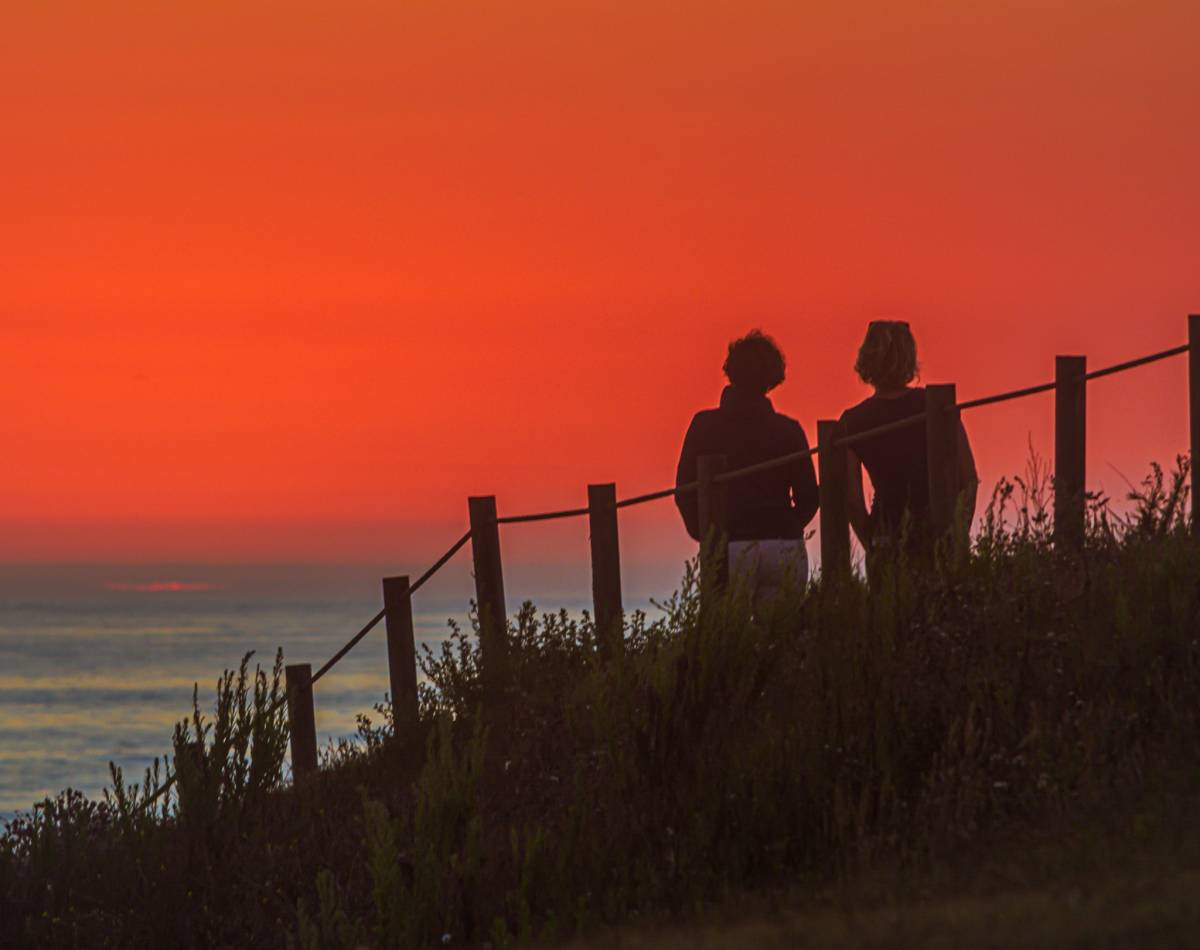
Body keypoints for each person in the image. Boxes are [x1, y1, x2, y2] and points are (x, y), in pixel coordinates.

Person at [675, 330, 819, 608]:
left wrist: (707, 535)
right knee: (781, 643)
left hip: (730, 547)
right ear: (772, 377)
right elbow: (809, 497)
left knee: (728, 642)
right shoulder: (788, 431)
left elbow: (684, 490)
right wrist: (785, 525)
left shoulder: (704, 426)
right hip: (782, 545)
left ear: (731, 371)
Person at [839, 321, 978, 577]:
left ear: (867, 358)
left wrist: (871, 541)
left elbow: (852, 499)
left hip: (886, 533)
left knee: (891, 615)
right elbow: (967, 478)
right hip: (937, 532)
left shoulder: (853, 421)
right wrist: (957, 534)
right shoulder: (936, 406)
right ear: (909, 357)